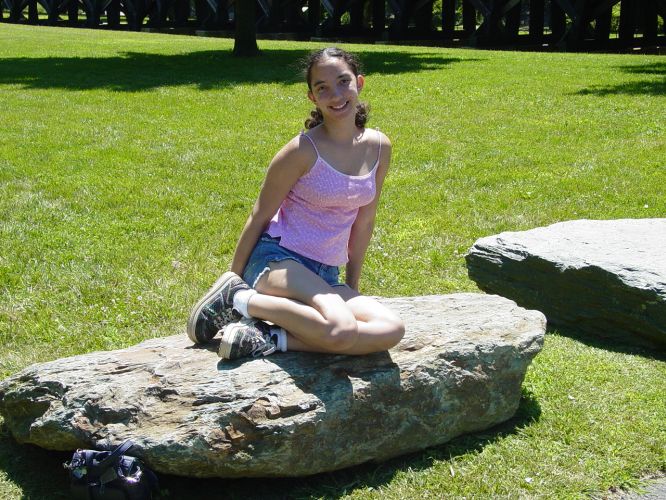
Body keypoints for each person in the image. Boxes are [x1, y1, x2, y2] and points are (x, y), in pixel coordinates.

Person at [187, 47, 405, 360]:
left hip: (326, 273)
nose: (335, 95)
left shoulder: (379, 147)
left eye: (343, 82)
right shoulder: (302, 151)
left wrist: (352, 286)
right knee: (342, 328)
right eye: (322, 88)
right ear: (312, 97)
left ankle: (270, 338)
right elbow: (259, 216)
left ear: (359, 82)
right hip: (278, 261)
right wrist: (233, 280)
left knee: (390, 329)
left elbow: (364, 222)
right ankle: (239, 300)